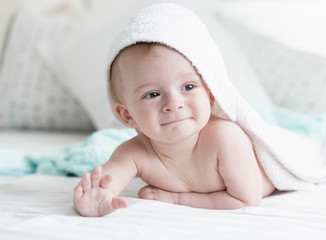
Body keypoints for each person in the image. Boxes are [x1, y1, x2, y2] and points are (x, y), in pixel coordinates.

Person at [73, 4, 275, 217]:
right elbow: (101, 186)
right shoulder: (135, 152)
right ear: (127, 115)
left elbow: (246, 200)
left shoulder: (226, 138)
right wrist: (90, 202)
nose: (173, 103)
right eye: (152, 94)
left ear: (210, 96)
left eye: (188, 87)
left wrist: (175, 199)